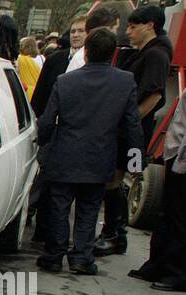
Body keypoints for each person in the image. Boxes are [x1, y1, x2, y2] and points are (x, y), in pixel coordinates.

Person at [36, 27, 141, 275]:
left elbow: (48, 120)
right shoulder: (125, 82)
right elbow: (132, 125)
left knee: (59, 207)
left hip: (64, 154)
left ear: (85, 53)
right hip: (100, 155)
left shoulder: (65, 81)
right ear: (112, 54)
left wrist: (41, 143)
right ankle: (81, 257)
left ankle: (54, 254)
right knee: (89, 208)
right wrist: (135, 160)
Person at [95, 4, 173, 257]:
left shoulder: (156, 55)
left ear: (150, 25)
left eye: (133, 26)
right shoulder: (145, 52)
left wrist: (128, 123)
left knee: (115, 180)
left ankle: (113, 234)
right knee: (113, 180)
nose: (128, 31)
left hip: (132, 131)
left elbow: (153, 97)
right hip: (128, 128)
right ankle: (115, 234)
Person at [131, 99, 186, 290]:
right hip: (175, 156)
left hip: (182, 161)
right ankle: (157, 264)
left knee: (180, 219)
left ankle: (178, 273)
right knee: (166, 214)